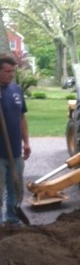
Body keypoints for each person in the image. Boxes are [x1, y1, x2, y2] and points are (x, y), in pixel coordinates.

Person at [0, 55, 31, 225]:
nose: (11, 74)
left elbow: (22, 118)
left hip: (15, 151)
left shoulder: (16, 90)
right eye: (6, 71)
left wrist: (26, 142)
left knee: (15, 188)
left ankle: (11, 219)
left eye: (13, 71)